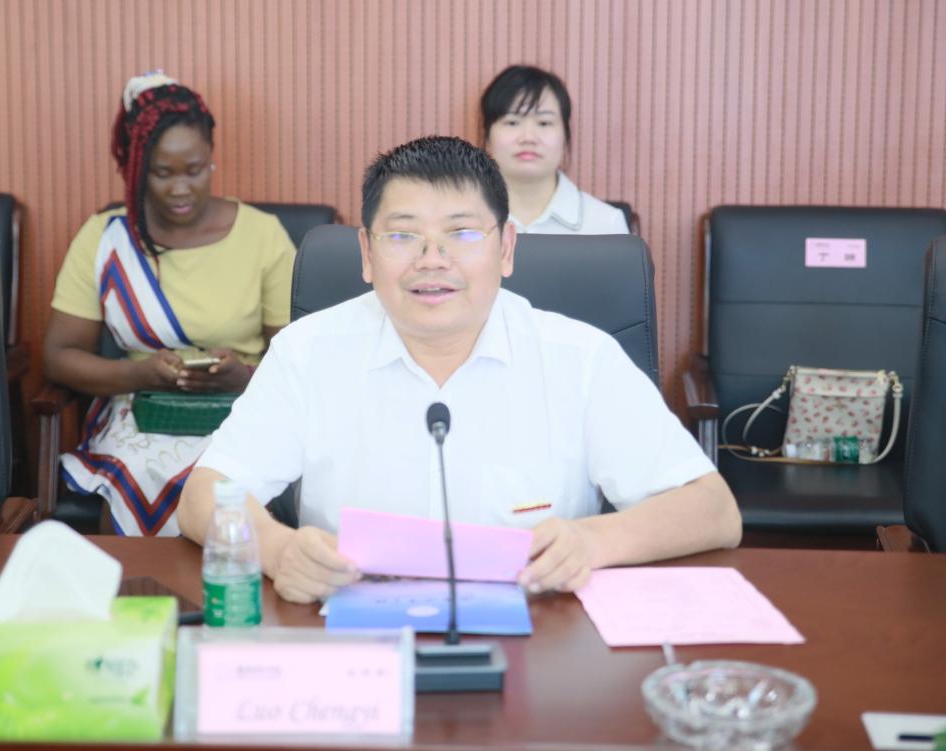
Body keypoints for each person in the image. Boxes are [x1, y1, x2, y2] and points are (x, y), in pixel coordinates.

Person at [178, 136, 740, 603]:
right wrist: (278, 552)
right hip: (350, 639)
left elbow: (713, 510)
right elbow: (204, 495)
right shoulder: (308, 352)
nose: (432, 259)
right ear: (367, 255)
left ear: (506, 249)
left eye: (463, 233)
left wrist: (593, 542)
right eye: (403, 235)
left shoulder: (581, 357)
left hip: (542, 638)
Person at [44, 72, 296, 536]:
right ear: (136, 168)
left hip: (242, 408)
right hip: (137, 409)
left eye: (194, 170)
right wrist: (140, 375)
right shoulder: (106, 238)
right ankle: (140, 581)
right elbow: (60, 356)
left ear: (212, 159)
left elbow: (299, 359)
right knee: (134, 470)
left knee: (225, 477)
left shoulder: (263, 235)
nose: (181, 188)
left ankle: (224, 582)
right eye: (162, 173)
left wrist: (243, 378)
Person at [481, 64, 629, 235]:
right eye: (512, 122)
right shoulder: (462, 220)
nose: (528, 137)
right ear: (487, 136)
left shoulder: (606, 224)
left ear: (565, 135)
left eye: (544, 123)